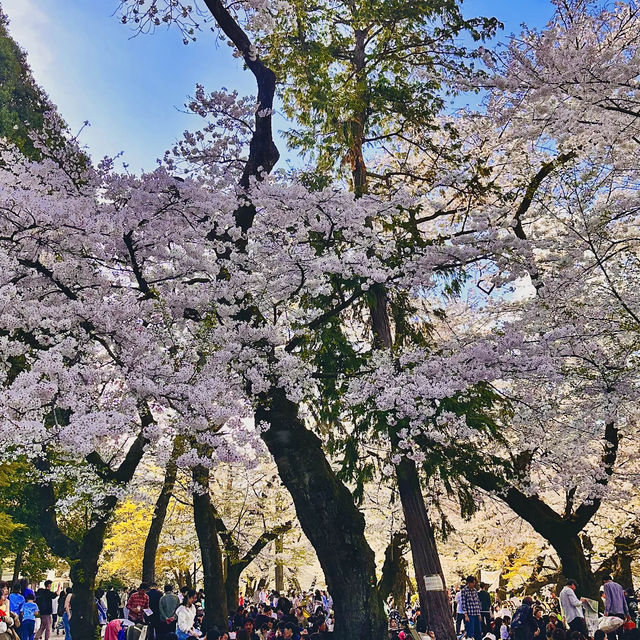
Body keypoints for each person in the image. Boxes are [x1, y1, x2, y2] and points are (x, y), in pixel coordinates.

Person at [602, 575, 629, 640]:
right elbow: (624, 601)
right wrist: (627, 613)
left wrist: (606, 612)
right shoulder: (619, 586)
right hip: (620, 612)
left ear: (604, 581)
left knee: (611, 633)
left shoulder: (606, 585)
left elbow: (608, 600)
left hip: (612, 612)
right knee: (620, 632)